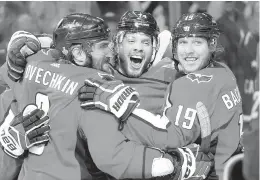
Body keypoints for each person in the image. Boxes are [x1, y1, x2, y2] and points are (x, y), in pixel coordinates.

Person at [0, 12, 207, 180]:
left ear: (155, 46)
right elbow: (113, 157)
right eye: (130, 39)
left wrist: (29, 48)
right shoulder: (94, 87)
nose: (109, 51)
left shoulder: (30, 68)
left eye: (145, 41)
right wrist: (174, 164)